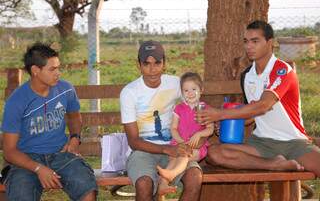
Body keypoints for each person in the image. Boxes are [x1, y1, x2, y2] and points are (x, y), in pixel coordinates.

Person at [196, 20, 320, 176]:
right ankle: (275, 165)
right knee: (214, 153)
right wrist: (225, 122)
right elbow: (251, 114)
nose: (249, 46)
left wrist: (219, 114)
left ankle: (286, 158)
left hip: (294, 142)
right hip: (261, 143)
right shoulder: (248, 76)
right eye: (246, 41)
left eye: (255, 41)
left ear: (270, 43)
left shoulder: (282, 70)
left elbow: (263, 106)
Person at [1, 43, 97, 200]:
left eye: (59, 67)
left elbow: (74, 116)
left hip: (61, 155)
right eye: (52, 69)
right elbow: (9, 151)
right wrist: (39, 168)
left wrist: (75, 138)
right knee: (21, 195)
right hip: (27, 160)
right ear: (35, 71)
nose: (58, 73)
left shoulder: (65, 89)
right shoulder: (17, 101)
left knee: (87, 189)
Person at [120, 41, 203, 201]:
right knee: (144, 183)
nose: (152, 69)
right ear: (139, 65)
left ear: (164, 63)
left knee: (194, 176)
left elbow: (196, 104)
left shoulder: (175, 84)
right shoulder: (129, 93)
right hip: (142, 151)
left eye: (157, 63)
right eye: (147, 64)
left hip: (175, 148)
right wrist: (166, 150)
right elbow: (134, 141)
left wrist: (207, 122)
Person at [157, 72, 213, 195]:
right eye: (186, 90)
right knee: (174, 158)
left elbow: (210, 129)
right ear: (182, 93)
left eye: (194, 89)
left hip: (197, 148)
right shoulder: (179, 108)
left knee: (184, 154)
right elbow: (173, 128)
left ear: (201, 90)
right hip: (179, 143)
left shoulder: (205, 109)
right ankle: (163, 184)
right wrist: (181, 142)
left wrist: (199, 134)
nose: (190, 93)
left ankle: (172, 174)